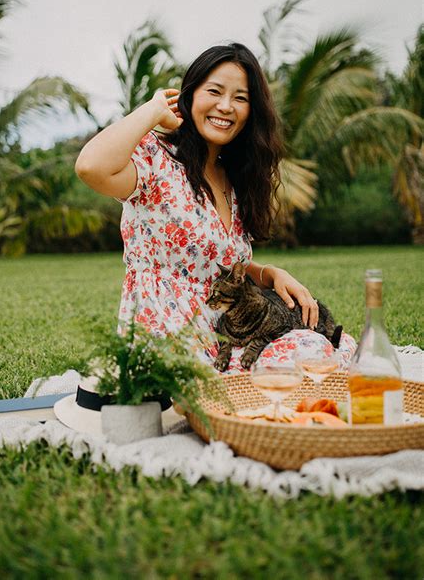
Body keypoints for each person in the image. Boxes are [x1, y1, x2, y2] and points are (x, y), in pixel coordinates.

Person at [75, 43, 356, 373]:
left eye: (240, 97)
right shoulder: (158, 160)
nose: (226, 106)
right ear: (190, 95)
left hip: (228, 333)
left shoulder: (233, 177)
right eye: (215, 91)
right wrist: (152, 111)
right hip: (170, 338)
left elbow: (216, 261)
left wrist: (269, 273)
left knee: (325, 345)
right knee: (297, 363)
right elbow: (90, 167)